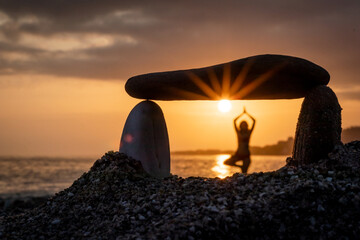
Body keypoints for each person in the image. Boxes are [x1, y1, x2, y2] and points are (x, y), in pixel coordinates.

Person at [224, 107, 256, 173]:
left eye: (245, 125)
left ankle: (243, 172)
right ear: (240, 126)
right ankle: (240, 167)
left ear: (247, 126)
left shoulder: (248, 133)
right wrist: (242, 114)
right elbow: (234, 121)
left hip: (246, 155)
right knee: (226, 162)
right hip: (238, 154)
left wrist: (247, 114)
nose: (244, 126)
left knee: (244, 172)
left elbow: (254, 121)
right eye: (242, 125)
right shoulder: (238, 133)